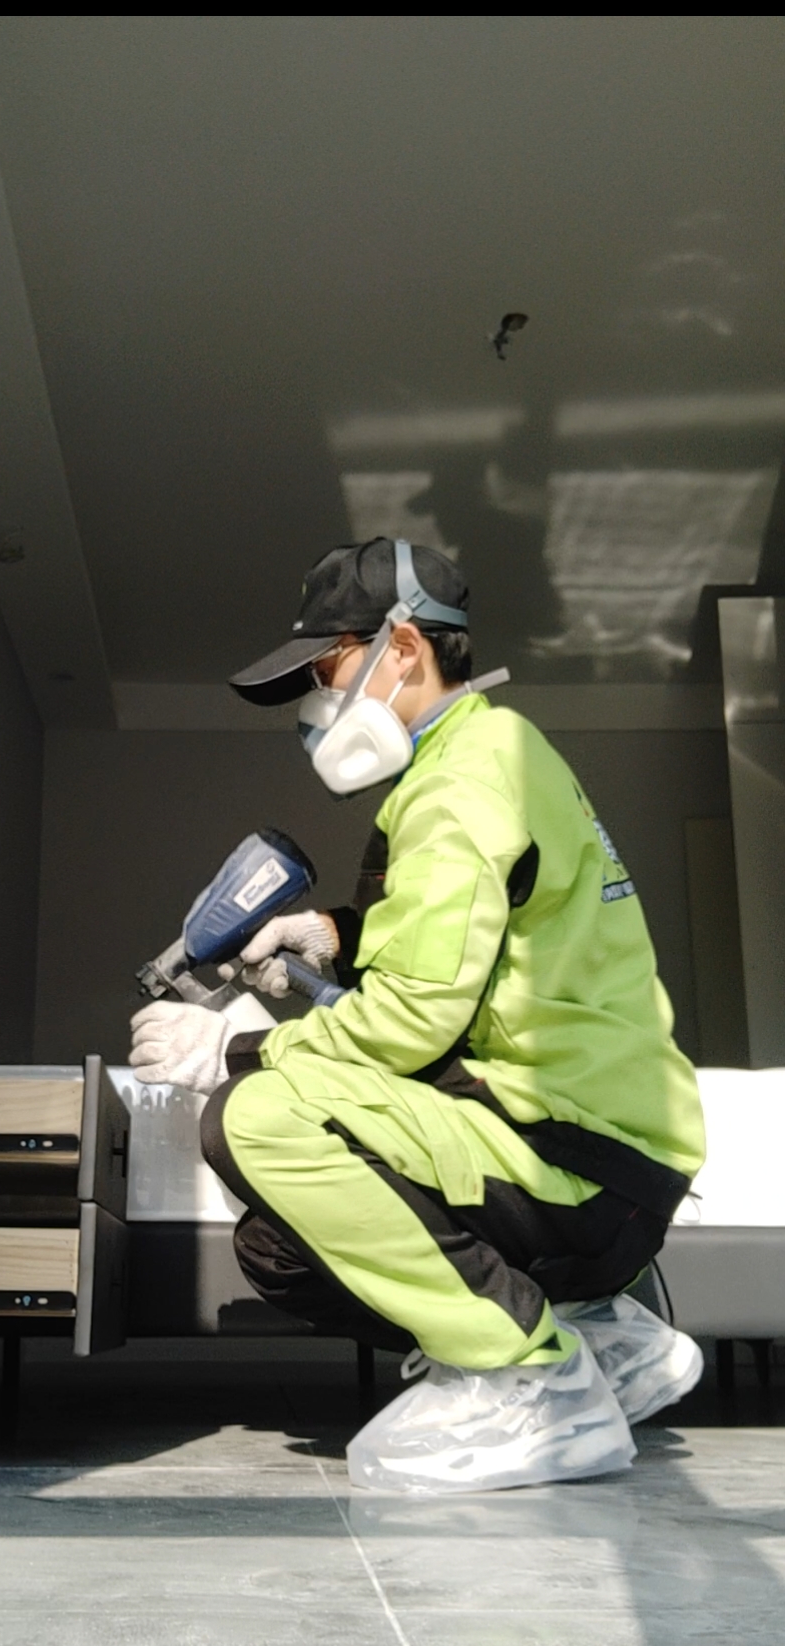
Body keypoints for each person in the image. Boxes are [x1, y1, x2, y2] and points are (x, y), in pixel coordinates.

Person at [129, 537, 706, 1492]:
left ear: (401, 648)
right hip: (607, 1151)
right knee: (279, 1248)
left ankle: (531, 1382)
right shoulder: (494, 750)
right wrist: (330, 937)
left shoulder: (457, 785)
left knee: (257, 1120)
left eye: (326, 670)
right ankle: (606, 1339)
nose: (316, 704)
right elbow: (478, 934)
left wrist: (234, 1046)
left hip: (570, 1157)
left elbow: (409, 1024)